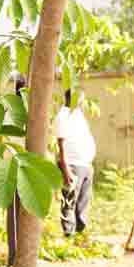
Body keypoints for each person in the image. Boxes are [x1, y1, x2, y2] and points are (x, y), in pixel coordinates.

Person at [55, 88, 97, 237]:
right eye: (80, 99)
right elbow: (60, 144)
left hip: (85, 165)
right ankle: (69, 235)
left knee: (83, 202)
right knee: (69, 201)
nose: (82, 102)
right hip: (72, 165)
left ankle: (80, 233)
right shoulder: (63, 116)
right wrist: (65, 168)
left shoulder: (79, 115)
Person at [5, 74, 28, 266]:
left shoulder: (33, 111)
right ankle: (14, 256)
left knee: (21, 212)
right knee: (14, 211)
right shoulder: (12, 111)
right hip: (14, 166)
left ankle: (19, 255)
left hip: (28, 167)